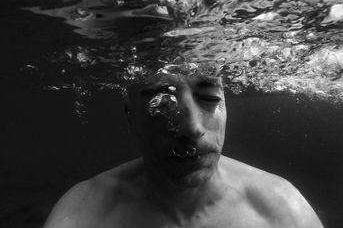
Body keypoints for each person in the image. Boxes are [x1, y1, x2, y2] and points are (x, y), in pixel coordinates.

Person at [43, 72, 323, 228]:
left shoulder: (284, 211)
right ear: (130, 115)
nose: (192, 127)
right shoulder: (82, 215)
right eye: (161, 102)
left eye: (210, 98)